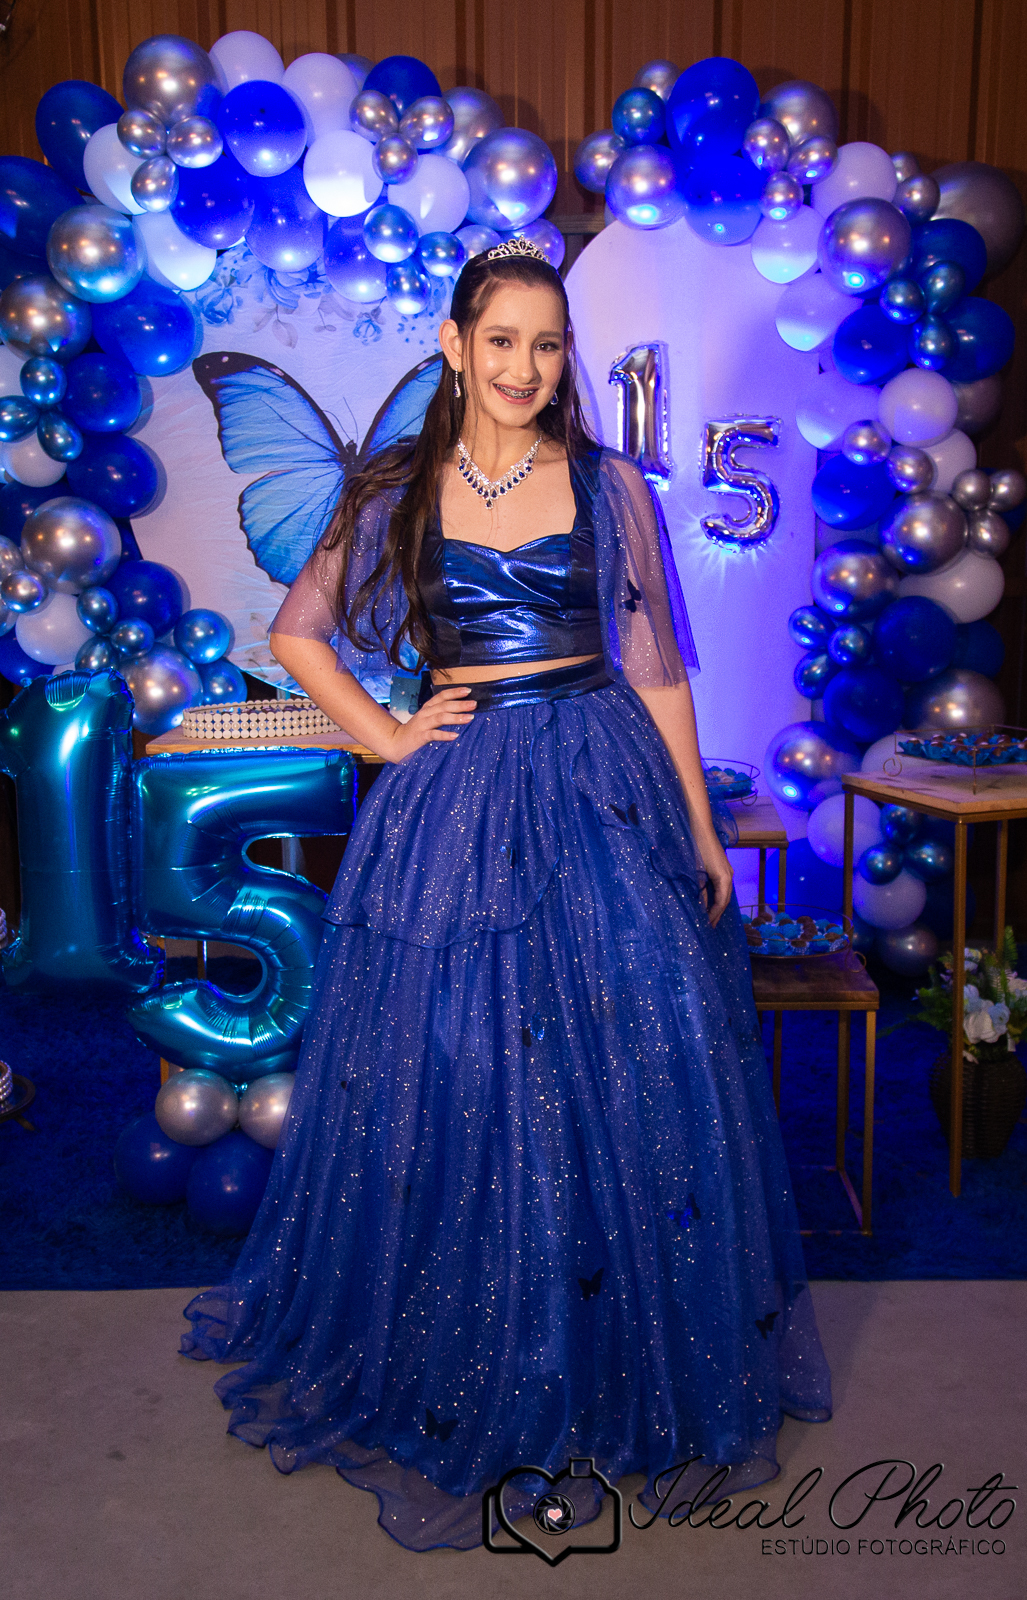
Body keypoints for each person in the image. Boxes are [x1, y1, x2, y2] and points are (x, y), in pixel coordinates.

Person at [181, 237, 831, 1549]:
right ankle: (480, 1351)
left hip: (601, 781)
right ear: (454, 346)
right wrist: (385, 733)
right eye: (502, 341)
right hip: (461, 796)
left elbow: (655, 664)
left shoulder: (609, 483)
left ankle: (627, 1357)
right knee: (462, 1066)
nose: (526, 367)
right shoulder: (395, 492)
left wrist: (700, 825)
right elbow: (300, 631)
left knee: (638, 1055)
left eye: (547, 343)